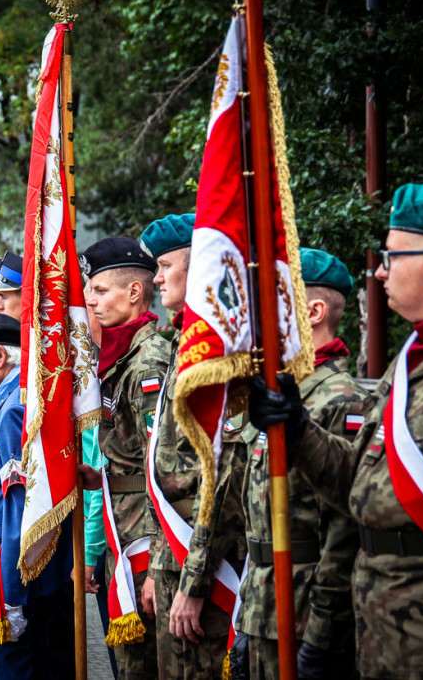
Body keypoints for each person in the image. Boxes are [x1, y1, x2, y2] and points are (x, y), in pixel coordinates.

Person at [248, 184, 423, 679]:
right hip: (383, 626)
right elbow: (358, 486)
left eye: (390, 256)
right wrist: (297, 429)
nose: (378, 271)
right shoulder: (415, 357)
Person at [231, 248, 366, 680]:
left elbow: (344, 529)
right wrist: (247, 619)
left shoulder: (340, 398)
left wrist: (322, 634)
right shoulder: (280, 391)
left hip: (304, 609)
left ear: (314, 311)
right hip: (263, 604)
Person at [133, 213, 249, 678]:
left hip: (204, 565)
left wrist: (194, 583)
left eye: (164, 265)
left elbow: (218, 478)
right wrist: (158, 564)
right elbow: (162, 471)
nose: (156, 277)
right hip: (173, 558)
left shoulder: (216, 355)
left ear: (197, 267)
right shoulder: (184, 343)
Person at [0, 313, 73, 680]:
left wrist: (9, 596)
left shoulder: (13, 410)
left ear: (1, 357)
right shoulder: (3, 403)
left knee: (6, 672)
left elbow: (17, 509)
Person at [81, 235, 169, 680]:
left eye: (99, 291)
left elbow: (163, 470)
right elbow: (131, 458)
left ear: (134, 292)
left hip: (145, 541)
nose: (89, 302)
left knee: (144, 667)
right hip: (124, 530)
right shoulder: (119, 357)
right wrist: (97, 478)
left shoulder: (149, 361)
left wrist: (157, 565)